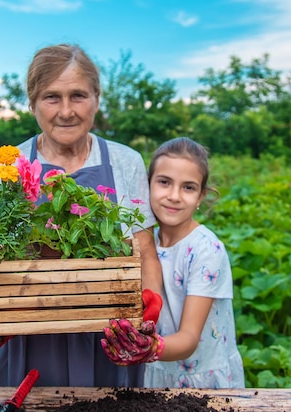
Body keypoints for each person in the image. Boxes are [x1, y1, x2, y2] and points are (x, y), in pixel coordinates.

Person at [0, 43, 163, 388]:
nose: (66, 111)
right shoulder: (4, 168)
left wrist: (146, 312)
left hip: (103, 339)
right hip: (22, 339)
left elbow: (144, 252)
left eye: (78, 96)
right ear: (32, 103)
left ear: (96, 99)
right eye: (52, 97)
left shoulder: (125, 161)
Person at [101, 136, 245, 389]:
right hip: (156, 372)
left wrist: (148, 348)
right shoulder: (144, 245)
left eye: (188, 187)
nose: (174, 196)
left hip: (201, 378)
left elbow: (189, 339)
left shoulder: (206, 249)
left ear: (201, 197)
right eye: (164, 182)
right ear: (146, 187)